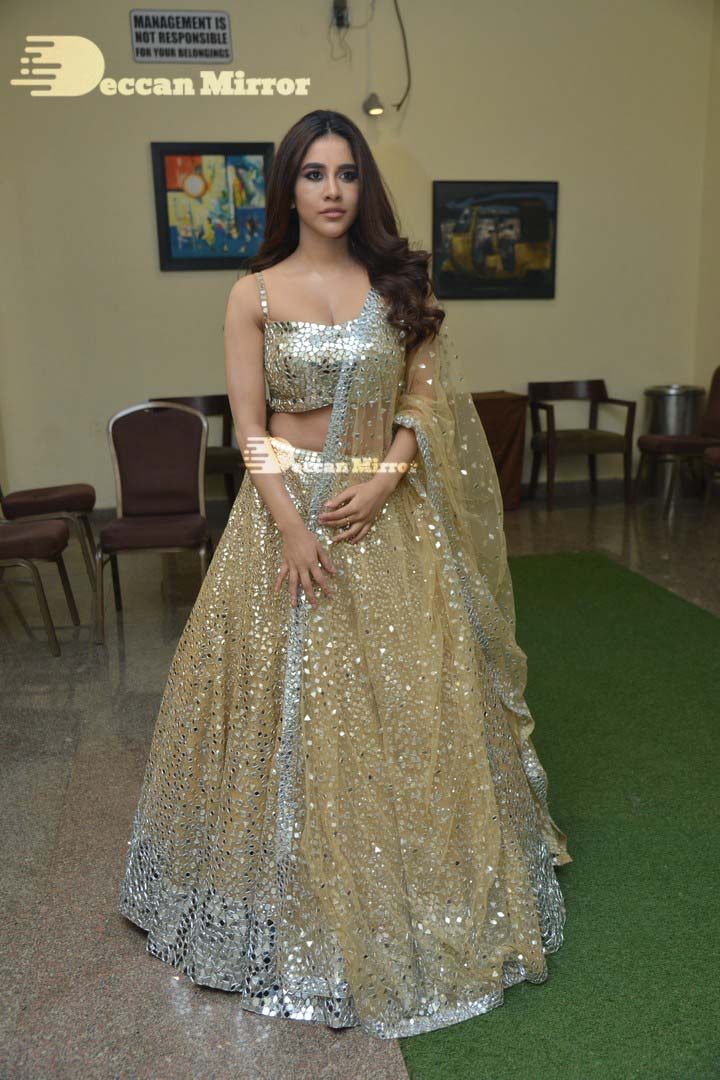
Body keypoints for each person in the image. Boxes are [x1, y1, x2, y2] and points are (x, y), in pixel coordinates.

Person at [118, 108, 572, 1040]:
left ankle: (418, 883)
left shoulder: (399, 286)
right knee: (282, 704)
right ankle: (275, 904)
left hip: (385, 512)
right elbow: (249, 426)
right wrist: (290, 527)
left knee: (409, 696)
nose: (333, 190)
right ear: (288, 188)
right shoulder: (253, 293)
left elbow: (423, 404)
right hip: (285, 514)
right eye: (315, 173)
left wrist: (387, 478)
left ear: (365, 186)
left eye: (347, 173)